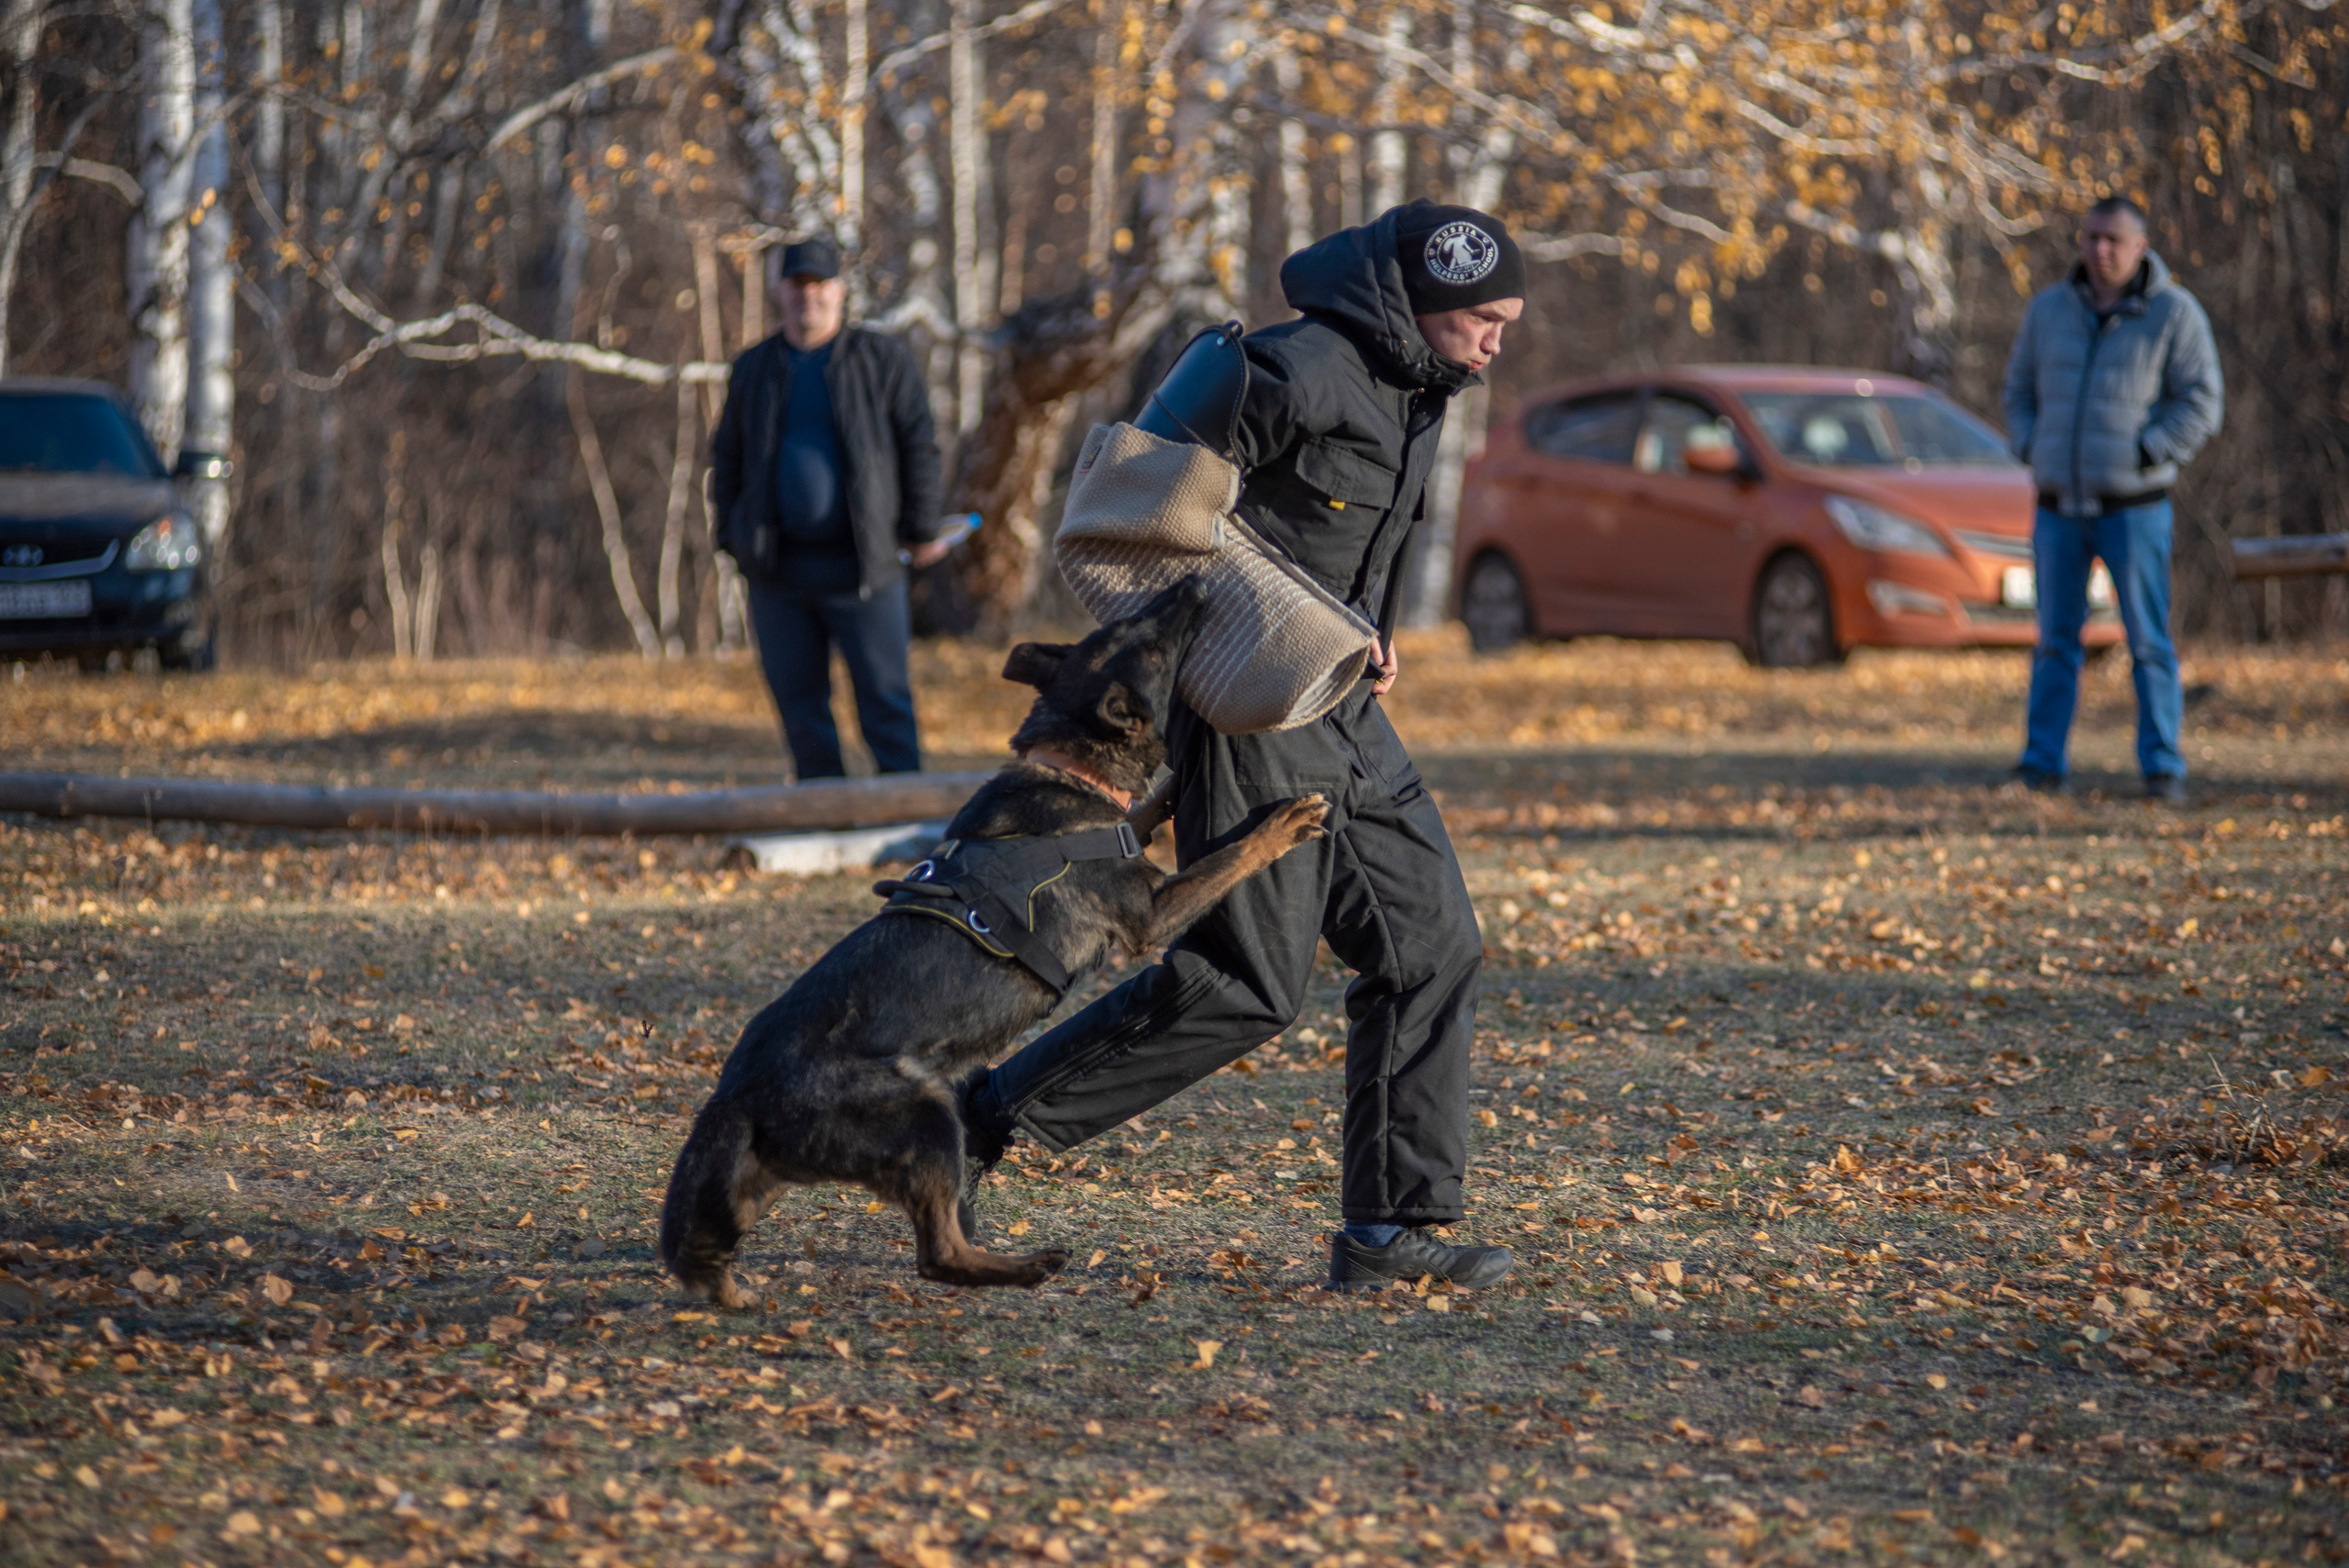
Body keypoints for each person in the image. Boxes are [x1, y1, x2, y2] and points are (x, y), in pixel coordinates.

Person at [962, 200, 1528, 1289]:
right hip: (1251, 715)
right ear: (1425, 302)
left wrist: (1374, 634)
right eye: (1482, 318)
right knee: (1244, 985)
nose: (1497, 340)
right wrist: (1228, 636)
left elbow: (1343, 537)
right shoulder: (1294, 368)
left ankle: (1389, 1232)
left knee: (1430, 947)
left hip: (1348, 709)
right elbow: (1134, 500)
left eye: (1504, 318)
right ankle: (978, 1122)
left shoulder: (1422, 386)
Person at [2002, 196, 2223, 804]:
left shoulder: (2173, 314)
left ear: (2140, 247)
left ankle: (2162, 767)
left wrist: (2150, 450)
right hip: (2057, 507)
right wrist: (2031, 444)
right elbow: (2017, 389)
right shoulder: (2048, 311)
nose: (2100, 250)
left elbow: (2203, 401)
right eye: (2092, 237)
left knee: (2147, 639)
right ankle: (2041, 764)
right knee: (2054, 641)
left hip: (2135, 507)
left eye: (2114, 240)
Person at [710, 238, 949, 778]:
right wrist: (731, 536)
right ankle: (823, 823)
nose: (808, 297)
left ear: (840, 292)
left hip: (866, 570)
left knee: (886, 703)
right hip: (778, 575)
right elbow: (726, 457)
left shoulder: (881, 359)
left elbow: (920, 445)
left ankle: (904, 826)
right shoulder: (754, 368)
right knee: (800, 709)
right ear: (780, 292)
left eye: (820, 285)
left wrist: (922, 526)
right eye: (798, 286)